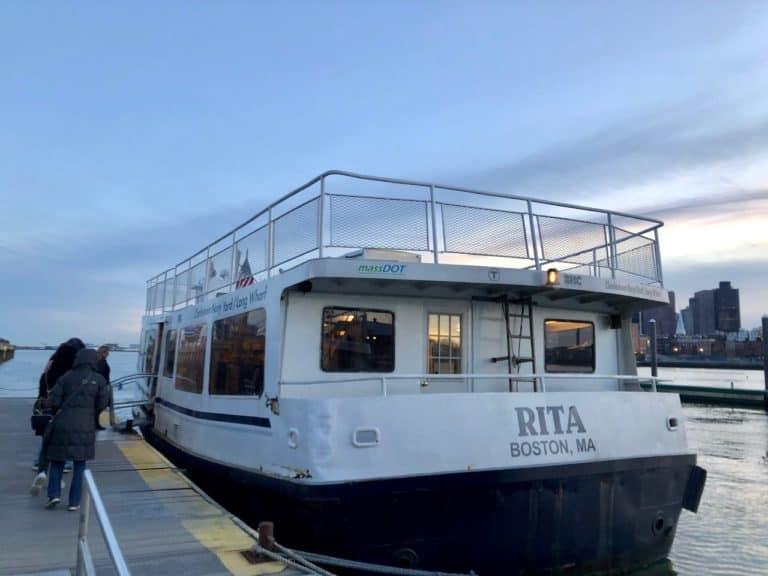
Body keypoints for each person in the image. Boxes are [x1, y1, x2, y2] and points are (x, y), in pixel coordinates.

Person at [43, 348, 110, 510]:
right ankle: (74, 502)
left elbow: (54, 401)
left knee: (57, 461)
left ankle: (54, 495)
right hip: (85, 426)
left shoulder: (66, 377)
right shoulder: (99, 380)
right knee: (80, 465)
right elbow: (102, 405)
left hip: (62, 424)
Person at [30, 338, 85, 492]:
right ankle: (62, 471)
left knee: (46, 440)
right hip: (64, 413)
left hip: (45, 412)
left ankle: (40, 468)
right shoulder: (71, 376)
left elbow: (41, 393)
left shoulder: (46, 374)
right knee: (63, 444)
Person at [94, 345, 113, 429]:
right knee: (100, 406)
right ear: (103, 352)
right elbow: (101, 376)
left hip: (101, 386)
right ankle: (96, 424)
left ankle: (96, 423)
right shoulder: (101, 362)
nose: (108, 354)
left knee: (99, 406)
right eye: (107, 352)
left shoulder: (99, 361)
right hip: (101, 387)